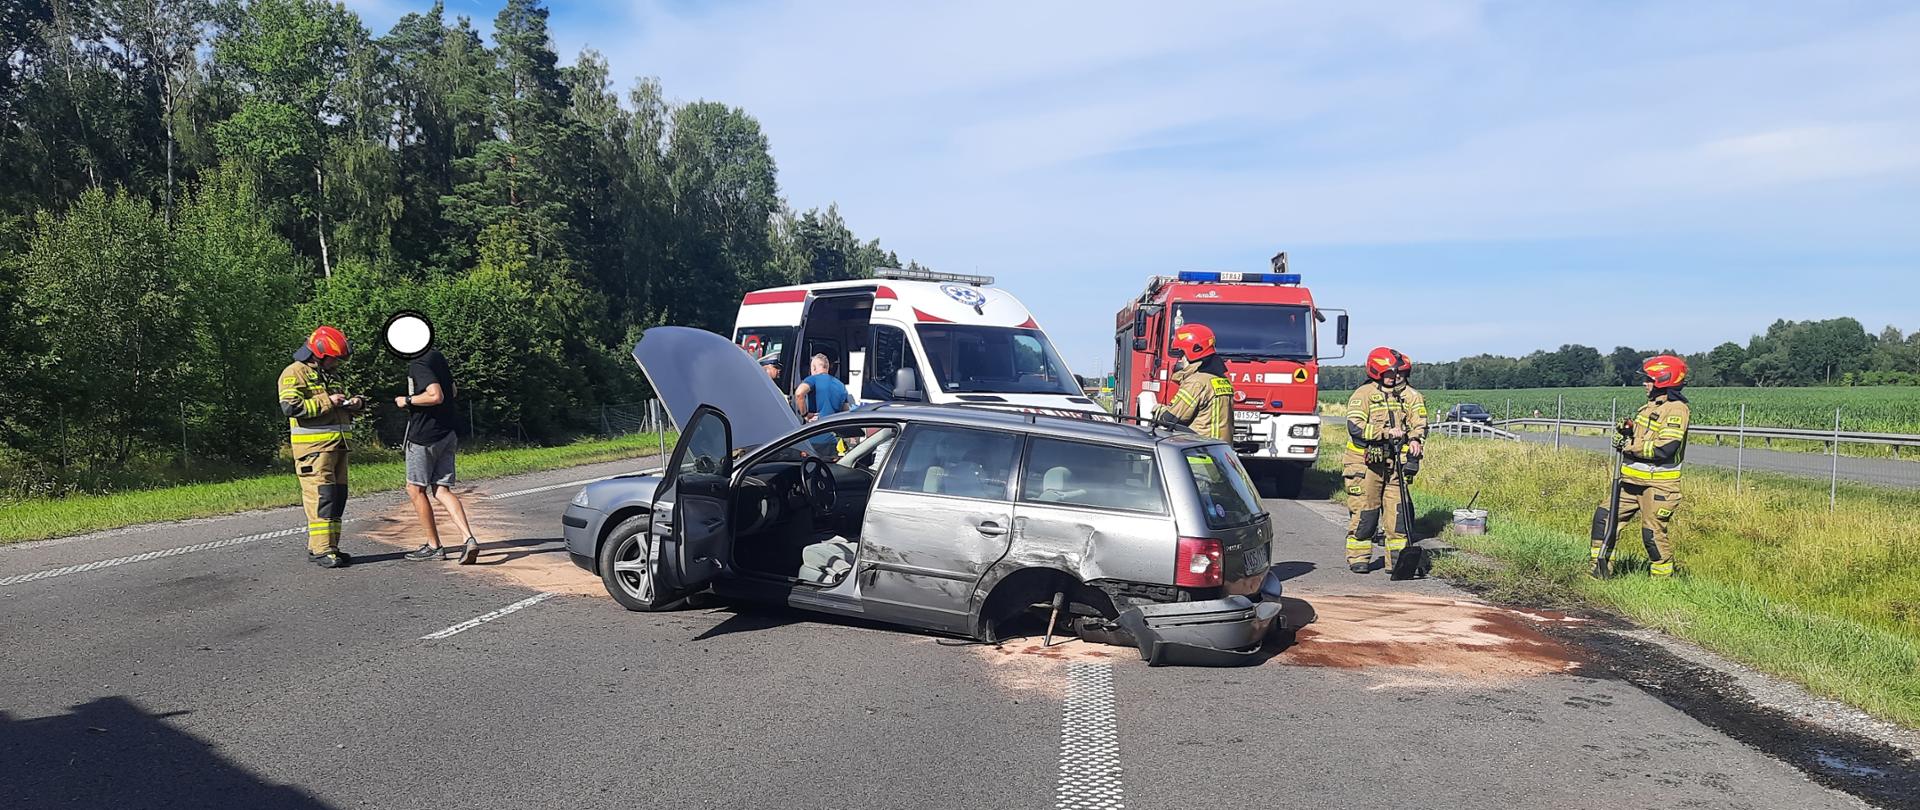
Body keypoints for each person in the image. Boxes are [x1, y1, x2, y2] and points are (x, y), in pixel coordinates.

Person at [277, 326, 366, 569]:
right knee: (322, 498)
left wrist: (354, 404)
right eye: (334, 359)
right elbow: (291, 408)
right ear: (319, 354)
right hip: (313, 452)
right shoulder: (294, 373)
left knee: (337, 497)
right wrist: (328, 401)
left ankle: (331, 547)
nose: (336, 364)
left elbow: (335, 408)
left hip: (337, 447)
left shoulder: (329, 375)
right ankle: (321, 549)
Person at [1598, 355, 1691, 578]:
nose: (1644, 383)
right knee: (1604, 519)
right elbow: (1643, 437)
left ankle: (1661, 583)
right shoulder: (1649, 407)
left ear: (1663, 380)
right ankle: (1598, 570)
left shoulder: (1676, 410)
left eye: (1648, 379)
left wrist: (1629, 445)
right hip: (1630, 483)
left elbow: (1664, 449)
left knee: (1652, 534)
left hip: (1659, 485)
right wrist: (1628, 431)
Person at [1342, 347, 1428, 574]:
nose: (1396, 376)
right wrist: (1385, 433)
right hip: (1364, 463)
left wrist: (1416, 440)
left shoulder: (1407, 396)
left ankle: (1398, 562)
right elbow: (1355, 427)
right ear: (1376, 372)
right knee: (1366, 513)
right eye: (1390, 373)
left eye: (1398, 373)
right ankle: (1358, 556)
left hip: (1395, 464)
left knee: (1398, 516)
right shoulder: (1363, 394)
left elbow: (1418, 423)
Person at [395, 347, 480, 564]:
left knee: (415, 488)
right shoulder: (437, 357)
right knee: (442, 489)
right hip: (447, 433)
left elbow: (436, 395)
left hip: (424, 436)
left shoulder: (418, 363)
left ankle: (434, 546)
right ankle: (468, 538)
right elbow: (452, 391)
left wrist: (408, 400)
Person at [1153, 324, 1233, 440]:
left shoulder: (1196, 383)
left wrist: (1156, 409)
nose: (1180, 359)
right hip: (1221, 450)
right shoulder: (1221, 379)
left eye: (1181, 354)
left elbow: (1171, 418)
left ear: (1191, 353)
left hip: (1201, 450)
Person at [793, 353, 852, 456]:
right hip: (834, 440)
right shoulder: (840, 385)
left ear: (814, 368)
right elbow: (846, 411)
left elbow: (799, 393)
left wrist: (805, 414)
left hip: (815, 438)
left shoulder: (813, 379)